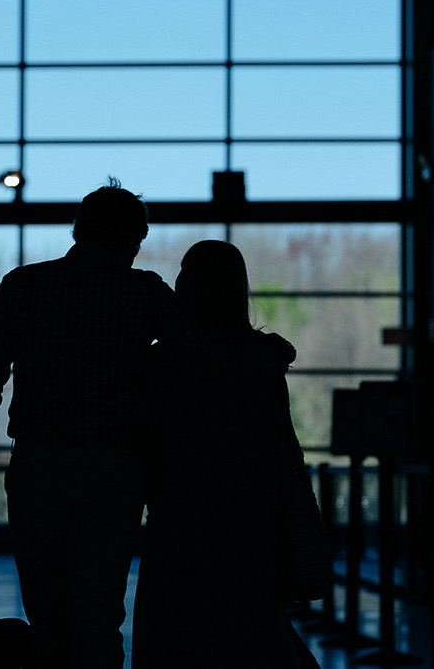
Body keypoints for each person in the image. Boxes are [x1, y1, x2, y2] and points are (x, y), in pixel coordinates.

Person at [0, 180, 295, 668]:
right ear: (133, 240)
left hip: (38, 467)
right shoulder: (142, 292)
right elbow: (211, 356)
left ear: (78, 231)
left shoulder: (23, 285)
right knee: (98, 620)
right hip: (114, 472)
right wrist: (273, 350)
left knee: (47, 618)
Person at [131, 239, 319, 668]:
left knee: (176, 635)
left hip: (179, 520)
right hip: (249, 521)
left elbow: (147, 439)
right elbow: (279, 446)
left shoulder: (164, 363)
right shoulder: (261, 359)